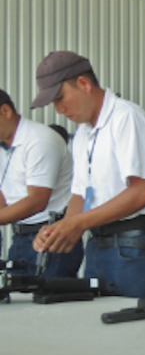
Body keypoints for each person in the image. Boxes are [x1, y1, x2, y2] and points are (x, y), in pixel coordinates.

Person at [31, 51, 145, 297]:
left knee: (136, 321)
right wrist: (60, 229)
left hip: (133, 249)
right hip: (98, 246)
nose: (59, 109)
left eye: (60, 98)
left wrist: (78, 223)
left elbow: (142, 192)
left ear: (84, 83)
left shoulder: (125, 118)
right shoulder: (82, 134)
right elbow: (80, 195)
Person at [0, 89, 82, 277]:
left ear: (5, 111)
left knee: (48, 295)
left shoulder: (39, 140)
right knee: (17, 294)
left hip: (51, 237)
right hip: (20, 236)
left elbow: (37, 201)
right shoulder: (3, 145)